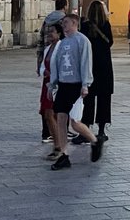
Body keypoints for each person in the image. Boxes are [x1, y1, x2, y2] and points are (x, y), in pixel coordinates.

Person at [48, 13, 103, 169]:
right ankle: (64, 155)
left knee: (75, 122)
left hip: (77, 85)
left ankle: (94, 140)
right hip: (64, 85)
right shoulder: (62, 43)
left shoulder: (82, 41)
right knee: (61, 118)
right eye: (63, 23)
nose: (63, 25)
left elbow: (86, 62)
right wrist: (52, 84)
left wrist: (86, 84)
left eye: (66, 22)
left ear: (74, 23)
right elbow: (56, 63)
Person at [79, 0, 114, 143]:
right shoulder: (106, 25)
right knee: (104, 99)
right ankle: (101, 131)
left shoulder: (85, 26)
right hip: (105, 66)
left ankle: (85, 130)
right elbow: (110, 42)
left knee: (88, 99)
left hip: (90, 65)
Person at [39, 22, 64, 155]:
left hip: (56, 84)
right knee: (48, 114)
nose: (49, 34)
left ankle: (58, 145)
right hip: (47, 84)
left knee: (51, 114)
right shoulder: (48, 48)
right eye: (49, 31)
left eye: (52, 31)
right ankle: (57, 143)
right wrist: (44, 72)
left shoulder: (61, 48)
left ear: (59, 34)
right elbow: (43, 65)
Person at [36, 0, 68, 71]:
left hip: (47, 55)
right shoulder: (65, 21)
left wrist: (39, 63)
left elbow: (40, 42)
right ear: (65, 6)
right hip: (60, 56)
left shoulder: (47, 20)